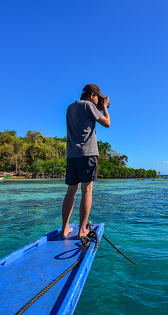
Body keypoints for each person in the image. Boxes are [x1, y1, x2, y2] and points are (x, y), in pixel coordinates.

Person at [61, 83, 110, 244]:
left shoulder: (70, 108)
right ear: (91, 95)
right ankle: (82, 230)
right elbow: (107, 123)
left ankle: (65, 229)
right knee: (87, 190)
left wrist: (100, 106)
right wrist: (106, 108)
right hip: (87, 154)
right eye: (98, 98)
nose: (98, 101)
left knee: (71, 191)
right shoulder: (89, 105)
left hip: (72, 156)